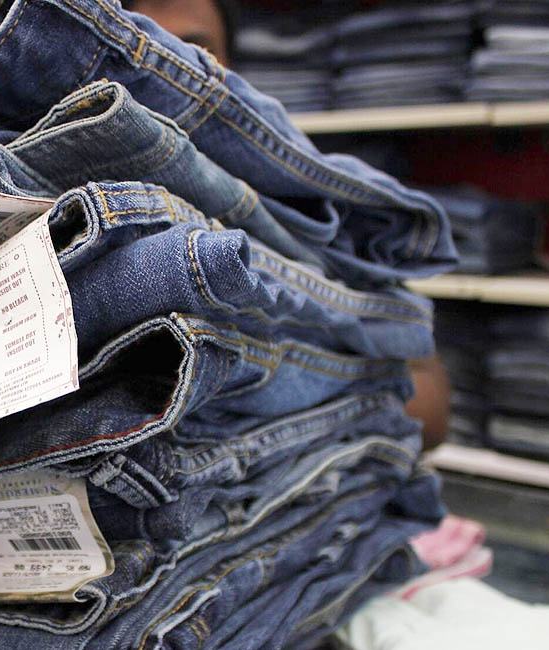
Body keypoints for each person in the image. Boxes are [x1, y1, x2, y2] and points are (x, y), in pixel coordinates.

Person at [124, 0, 452, 449]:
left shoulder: (303, 206)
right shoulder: (63, 216)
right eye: (137, 50)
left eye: (190, 53)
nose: (162, 75)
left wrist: (276, 399)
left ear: (228, 70)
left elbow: (430, 402)